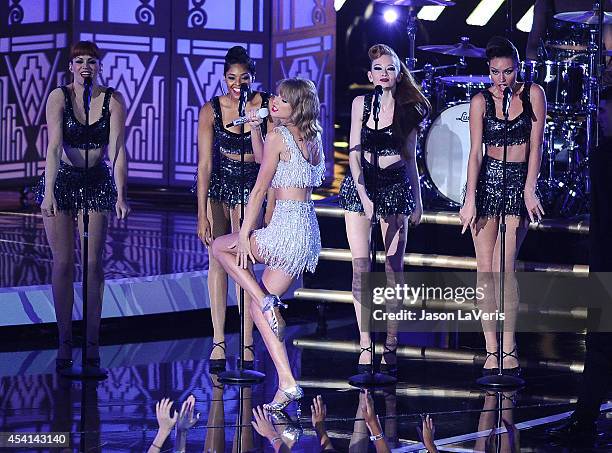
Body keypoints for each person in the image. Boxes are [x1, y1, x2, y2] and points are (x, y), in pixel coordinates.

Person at [211, 78, 324, 411]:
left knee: (220, 247)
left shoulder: (279, 136)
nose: (274, 101)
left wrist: (245, 234)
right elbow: (269, 161)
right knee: (260, 315)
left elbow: (259, 189)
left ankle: (263, 298)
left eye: (283, 100)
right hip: (306, 232)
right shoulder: (313, 136)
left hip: (285, 228)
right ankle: (287, 382)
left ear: (297, 106)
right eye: (275, 96)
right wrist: (256, 129)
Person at [36, 41, 130, 371]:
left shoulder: (112, 100)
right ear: (71, 67)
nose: (85, 65)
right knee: (63, 263)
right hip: (62, 179)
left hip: (96, 181)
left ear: (99, 66)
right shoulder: (58, 97)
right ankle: (64, 340)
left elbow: (118, 152)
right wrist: (48, 192)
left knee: (92, 265)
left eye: (91, 60)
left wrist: (120, 194)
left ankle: (92, 342)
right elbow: (53, 146)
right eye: (79, 61)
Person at [337, 44, 430, 374]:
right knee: (361, 268)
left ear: (398, 72)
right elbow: (353, 152)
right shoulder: (361, 105)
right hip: (361, 187)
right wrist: (364, 196)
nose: (384, 74)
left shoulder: (409, 109)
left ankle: (390, 343)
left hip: (395, 187)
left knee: (393, 267)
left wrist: (417, 201)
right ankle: (364, 344)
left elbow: (410, 158)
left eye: (390, 68)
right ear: (370, 75)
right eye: (379, 68)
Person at [459, 36, 546, 376]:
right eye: (495, 72)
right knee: (485, 271)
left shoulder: (533, 93)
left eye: (508, 72)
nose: (502, 79)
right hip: (487, 183)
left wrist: (529, 188)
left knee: (502, 268)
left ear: (517, 68)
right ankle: (491, 351)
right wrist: (469, 199)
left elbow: (536, 147)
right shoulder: (480, 100)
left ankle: (510, 348)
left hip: (517, 183)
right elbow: (475, 151)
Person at [196, 46, 271, 372]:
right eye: (231, 78)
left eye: (243, 78)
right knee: (216, 259)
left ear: (252, 77)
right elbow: (204, 165)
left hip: (250, 188)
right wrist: (201, 213)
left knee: (243, 261)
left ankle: (247, 340)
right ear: (224, 77)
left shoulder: (266, 106)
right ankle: (218, 340)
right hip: (218, 187)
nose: (236, 84)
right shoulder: (211, 109)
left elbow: (270, 156)